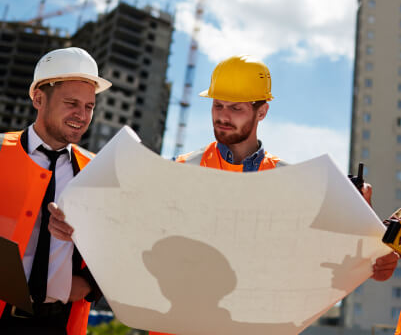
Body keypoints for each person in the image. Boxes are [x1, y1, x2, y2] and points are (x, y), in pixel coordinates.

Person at [50, 54, 398, 333]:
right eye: (218, 106)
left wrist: (377, 259)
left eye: (236, 108)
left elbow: (352, 268)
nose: (223, 117)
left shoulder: (294, 183)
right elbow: (123, 232)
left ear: (262, 111)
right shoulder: (176, 170)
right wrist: (76, 225)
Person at [0, 47, 111, 335]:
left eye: (89, 106)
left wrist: (90, 282)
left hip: (57, 323)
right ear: (38, 98)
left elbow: (121, 240)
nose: (82, 115)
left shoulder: (98, 171)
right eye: (72, 103)